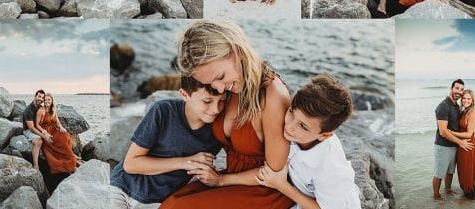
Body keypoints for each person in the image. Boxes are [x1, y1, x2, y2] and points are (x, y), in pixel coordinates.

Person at [162, 19, 293, 207]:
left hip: (264, 190)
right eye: (211, 84)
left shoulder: (273, 96)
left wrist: (222, 180)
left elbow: (274, 171)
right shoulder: (229, 89)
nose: (220, 89)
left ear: (237, 50)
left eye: (220, 77)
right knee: (173, 200)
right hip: (230, 178)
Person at [109, 75, 225, 209]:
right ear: (185, 95)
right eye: (207, 101)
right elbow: (131, 164)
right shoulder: (163, 111)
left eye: (222, 101)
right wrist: (188, 162)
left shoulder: (219, 129)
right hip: (122, 188)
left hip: (161, 202)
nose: (216, 109)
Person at [257, 75, 361, 209]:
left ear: (324, 135)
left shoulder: (331, 169)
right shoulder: (298, 135)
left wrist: (281, 185)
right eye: (291, 112)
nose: (289, 126)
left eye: (303, 126)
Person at [433, 79, 472, 200]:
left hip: (454, 146)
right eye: (457, 88)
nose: (459, 92)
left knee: (450, 172)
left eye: (461, 89)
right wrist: (461, 142)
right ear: (451, 89)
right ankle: (436, 197)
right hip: (443, 146)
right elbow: (443, 132)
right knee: (439, 174)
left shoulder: (456, 106)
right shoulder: (443, 106)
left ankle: (448, 191)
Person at [36, 94, 78, 175]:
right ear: (43, 101)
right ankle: (72, 160)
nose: (47, 101)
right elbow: (37, 124)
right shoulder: (41, 110)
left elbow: (57, 121)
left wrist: (61, 128)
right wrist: (44, 132)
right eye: (45, 100)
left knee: (65, 136)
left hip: (54, 129)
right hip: (46, 131)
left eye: (49, 100)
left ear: (51, 101)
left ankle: (71, 157)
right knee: (53, 142)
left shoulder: (53, 109)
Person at [457, 89, 475, 199]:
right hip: (462, 145)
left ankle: (470, 199)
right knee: (464, 172)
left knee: (467, 174)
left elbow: (469, 134)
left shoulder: (472, 113)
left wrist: (449, 133)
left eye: (468, 98)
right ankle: (473, 195)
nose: (466, 100)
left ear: (472, 100)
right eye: (464, 98)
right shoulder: (463, 111)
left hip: (469, 146)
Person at [22, 90, 47, 169]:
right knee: (39, 140)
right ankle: (36, 165)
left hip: (38, 128)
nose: (41, 99)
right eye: (39, 96)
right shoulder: (28, 110)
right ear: (35, 96)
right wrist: (43, 135)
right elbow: (31, 128)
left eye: (43, 98)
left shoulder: (40, 108)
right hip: (28, 131)